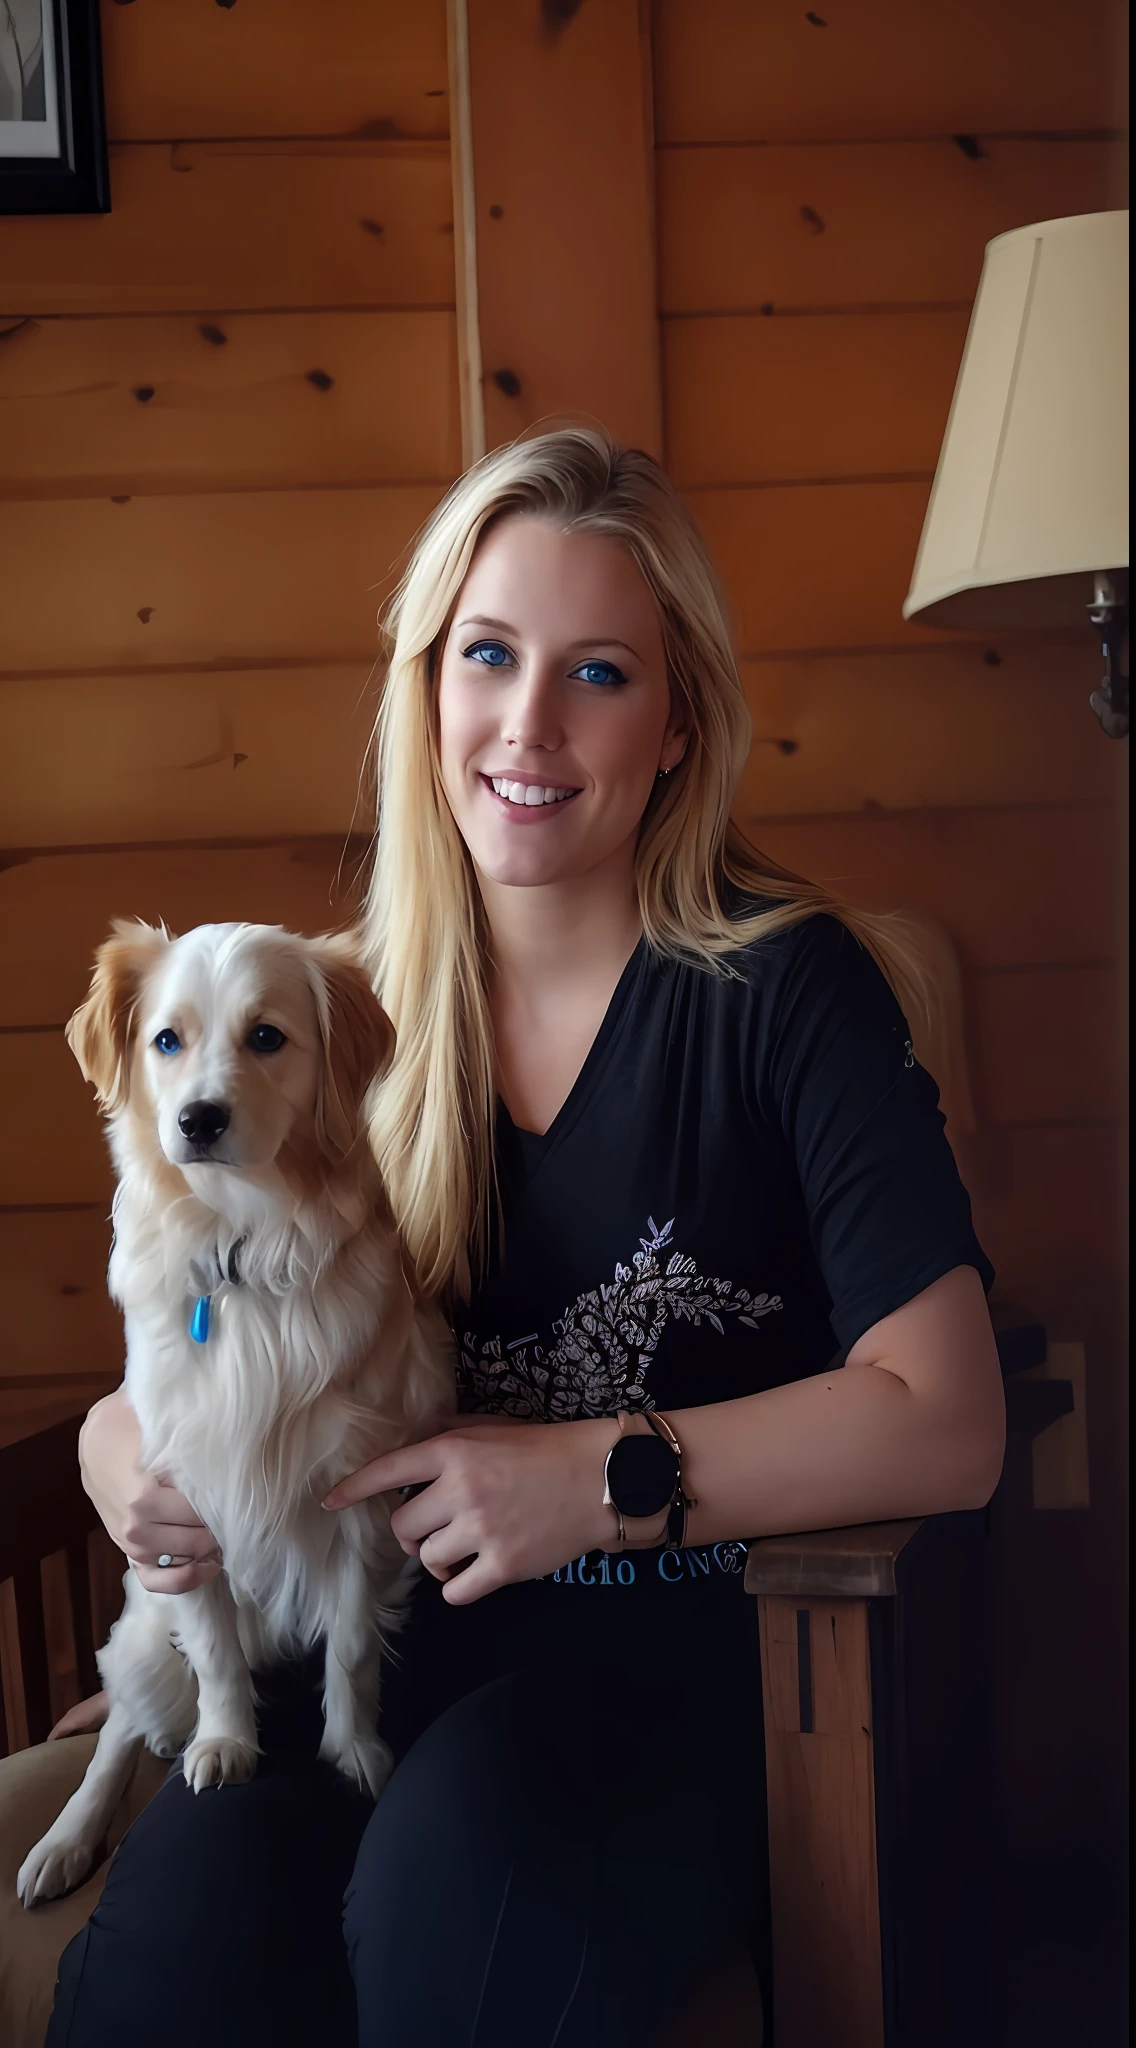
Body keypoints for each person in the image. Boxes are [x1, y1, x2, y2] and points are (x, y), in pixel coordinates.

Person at [49, 428, 1005, 2046]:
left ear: (679, 717)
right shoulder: (323, 1013)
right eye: (487, 654)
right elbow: (190, 1307)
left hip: (668, 1675)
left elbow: (954, 1415)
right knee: (170, 1964)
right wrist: (109, 1441)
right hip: (355, 1660)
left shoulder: (788, 995)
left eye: (601, 672)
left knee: (454, 1889)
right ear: (429, 688)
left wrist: (594, 1476)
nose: (530, 723)